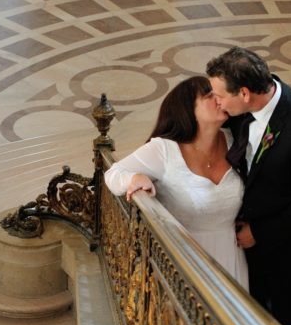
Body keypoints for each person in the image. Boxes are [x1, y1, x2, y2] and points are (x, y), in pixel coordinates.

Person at [206, 46, 291, 325]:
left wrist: (259, 233)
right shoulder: (240, 111)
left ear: (245, 93)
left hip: (287, 249)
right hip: (246, 242)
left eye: (219, 95)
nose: (215, 101)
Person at [104, 75, 248, 287]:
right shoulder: (164, 150)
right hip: (185, 262)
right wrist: (134, 178)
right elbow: (112, 174)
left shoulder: (236, 141)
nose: (220, 99)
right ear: (188, 109)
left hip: (232, 256)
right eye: (210, 96)